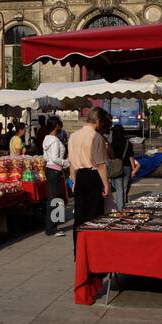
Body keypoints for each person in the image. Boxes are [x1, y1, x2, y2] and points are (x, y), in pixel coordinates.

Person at [67, 107, 111, 254]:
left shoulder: (73, 136)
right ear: (98, 121)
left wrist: (73, 181)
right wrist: (106, 185)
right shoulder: (97, 137)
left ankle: (78, 251)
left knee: (79, 217)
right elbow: (100, 165)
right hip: (93, 177)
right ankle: (93, 251)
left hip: (79, 176)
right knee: (94, 216)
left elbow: (71, 163)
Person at [42, 117, 68, 237]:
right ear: (56, 126)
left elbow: (47, 158)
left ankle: (52, 225)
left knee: (53, 198)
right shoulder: (55, 141)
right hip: (55, 170)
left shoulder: (47, 139)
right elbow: (54, 158)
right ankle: (51, 227)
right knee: (54, 199)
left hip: (50, 169)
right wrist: (67, 162)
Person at [108, 123, 133, 209]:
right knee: (124, 187)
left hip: (116, 167)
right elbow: (131, 156)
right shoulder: (128, 143)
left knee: (118, 189)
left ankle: (120, 208)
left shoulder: (112, 144)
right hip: (127, 166)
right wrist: (133, 169)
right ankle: (123, 205)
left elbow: (110, 157)